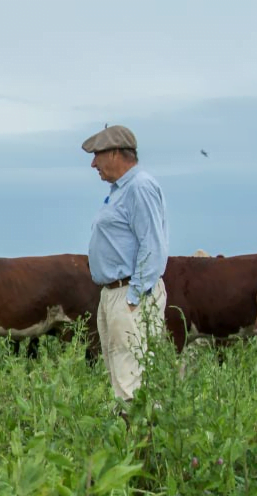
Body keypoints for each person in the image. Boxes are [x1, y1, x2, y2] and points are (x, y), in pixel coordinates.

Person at [83, 125, 169, 405]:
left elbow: (152, 245)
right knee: (121, 372)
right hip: (113, 293)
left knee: (130, 374)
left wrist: (133, 297)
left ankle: (140, 442)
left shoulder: (139, 187)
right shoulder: (119, 191)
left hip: (130, 292)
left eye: (98, 155)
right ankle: (136, 440)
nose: (93, 163)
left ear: (117, 153)